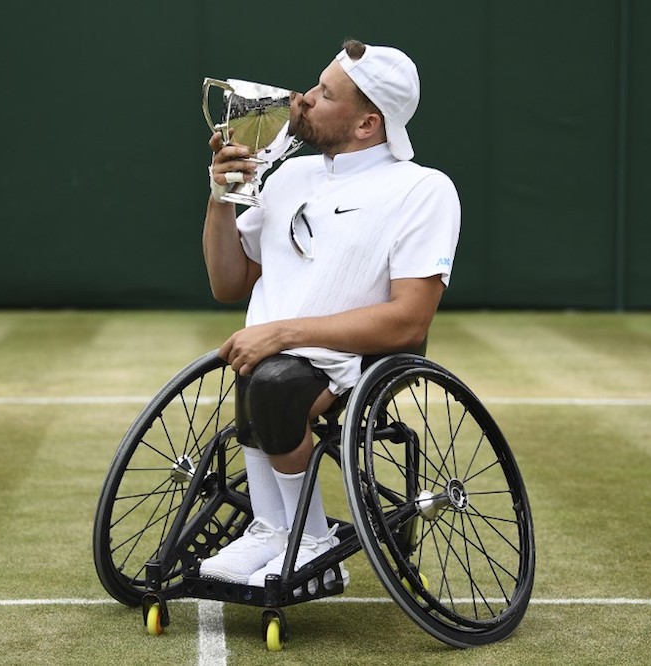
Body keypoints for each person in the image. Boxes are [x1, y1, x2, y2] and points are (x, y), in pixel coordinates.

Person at [198, 39, 461, 590]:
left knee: (271, 382)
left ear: (367, 124)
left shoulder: (424, 189)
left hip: (359, 356)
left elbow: (410, 321)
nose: (304, 99)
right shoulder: (288, 175)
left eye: (324, 93)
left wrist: (284, 332)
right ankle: (271, 530)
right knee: (259, 374)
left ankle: (312, 541)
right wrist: (222, 195)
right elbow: (228, 283)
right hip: (272, 352)